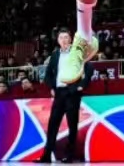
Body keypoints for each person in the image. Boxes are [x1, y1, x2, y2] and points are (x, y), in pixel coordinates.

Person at [38, 30, 93, 164]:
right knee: (52, 124)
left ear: (70, 39)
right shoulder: (55, 55)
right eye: (61, 37)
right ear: (58, 40)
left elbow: (89, 68)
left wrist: (81, 86)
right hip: (59, 93)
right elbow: (48, 74)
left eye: (66, 37)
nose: (63, 39)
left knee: (72, 124)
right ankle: (46, 155)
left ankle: (70, 155)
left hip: (72, 93)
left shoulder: (77, 53)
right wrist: (52, 87)